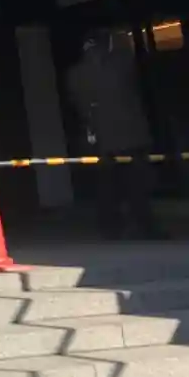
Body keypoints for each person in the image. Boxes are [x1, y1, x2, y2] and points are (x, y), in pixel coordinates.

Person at [67, 32, 165, 240]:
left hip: (101, 138)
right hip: (130, 135)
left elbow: (80, 107)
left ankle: (111, 228)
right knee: (136, 185)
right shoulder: (120, 66)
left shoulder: (77, 74)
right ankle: (144, 226)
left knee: (107, 186)